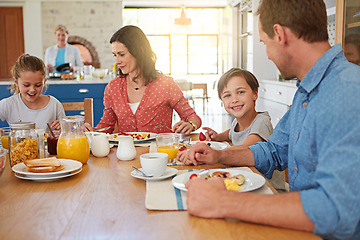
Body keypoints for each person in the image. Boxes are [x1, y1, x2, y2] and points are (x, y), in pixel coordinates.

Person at [185, 0, 360, 239]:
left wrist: (225, 202)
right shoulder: (306, 92)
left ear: (279, 34)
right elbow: (274, 151)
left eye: (264, 43)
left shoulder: (348, 90)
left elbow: (336, 211)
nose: (267, 54)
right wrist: (219, 155)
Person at [177, 68, 286, 191]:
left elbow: (246, 148)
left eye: (240, 92)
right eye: (227, 95)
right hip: (246, 180)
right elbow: (232, 132)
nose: (234, 99)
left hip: (268, 188)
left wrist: (210, 153)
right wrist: (218, 137)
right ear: (222, 101)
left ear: (255, 94)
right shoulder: (238, 121)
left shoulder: (262, 122)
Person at [84, 25, 201, 134]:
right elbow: (106, 126)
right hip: (126, 155)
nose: (117, 61)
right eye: (115, 55)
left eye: (122, 54)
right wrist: (92, 131)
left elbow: (193, 117)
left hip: (159, 153)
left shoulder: (165, 84)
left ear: (140, 51)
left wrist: (190, 125)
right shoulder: (113, 87)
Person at [0, 54, 65, 132]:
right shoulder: (8, 104)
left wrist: (63, 128)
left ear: (44, 82)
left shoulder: (54, 105)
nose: (32, 90)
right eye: (26, 85)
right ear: (16, 82)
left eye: (38, 85)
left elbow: (67, 133)